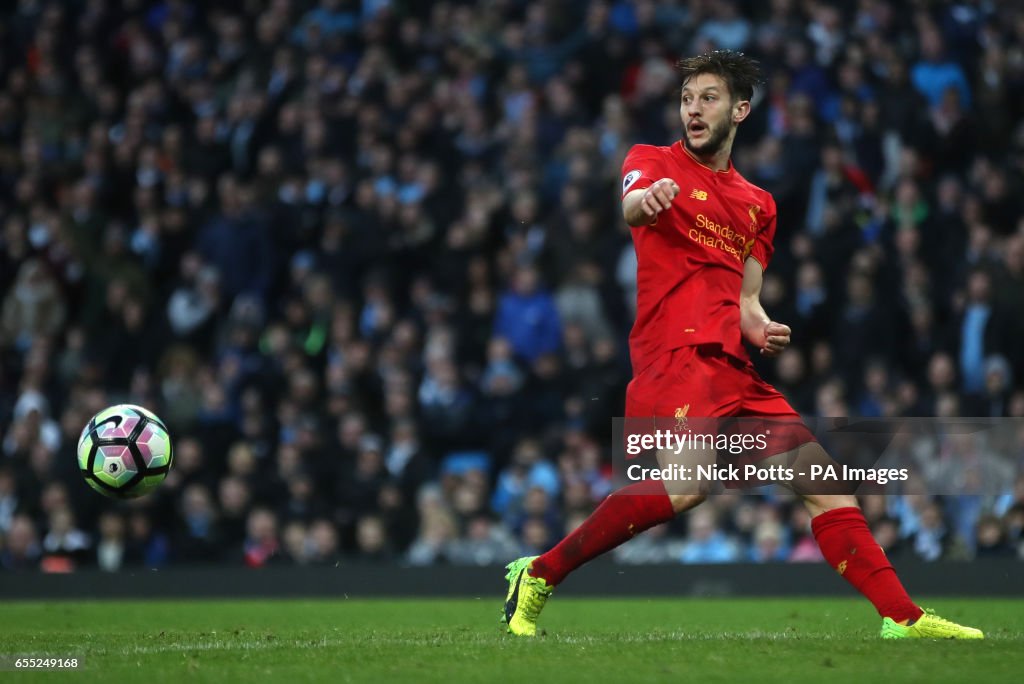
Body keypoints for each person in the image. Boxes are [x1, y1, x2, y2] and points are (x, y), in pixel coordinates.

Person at [501, 50, 982, 640]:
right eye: (686, 99)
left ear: (740, 110)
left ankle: (902, 617)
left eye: (708, 98)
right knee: (687, 488)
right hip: (674, 353)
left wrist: (760, 325)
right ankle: (540, 572)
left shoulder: (759, 204)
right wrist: (646, 201)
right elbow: (631, 204)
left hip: (731, 363)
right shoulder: (651, 160)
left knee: (826, 486)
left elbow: (746, 298)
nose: (693, 109)